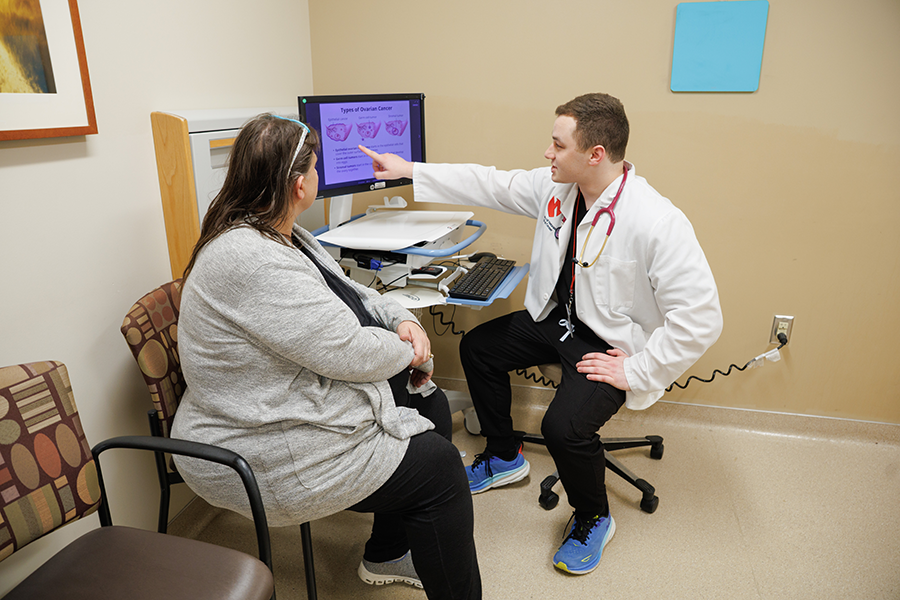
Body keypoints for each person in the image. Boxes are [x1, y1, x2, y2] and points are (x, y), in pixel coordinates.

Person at [359, 93, 723, 576]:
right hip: (558, 318)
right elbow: (489, 182)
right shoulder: (558, 188)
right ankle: (504, 454)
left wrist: (636, 369)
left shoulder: (657, 221)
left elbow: (702, 318)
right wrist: (410, 168)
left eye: (558, 144)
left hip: (608, 344)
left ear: (595, 154)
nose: (547, 154)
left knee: (563, 429)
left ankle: (594, 515)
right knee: (479, 349)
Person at [170, 114, 481, 600]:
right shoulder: (250, 258)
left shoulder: (281, 231)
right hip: (264, 441)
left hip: (288, 397)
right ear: (299, 184)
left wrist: (404, 321)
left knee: (431, 406)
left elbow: (352, 290)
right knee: (440, 470)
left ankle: (386, 551)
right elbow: (349, 351)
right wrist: (411, 349)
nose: (319, 176)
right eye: (316, 167)